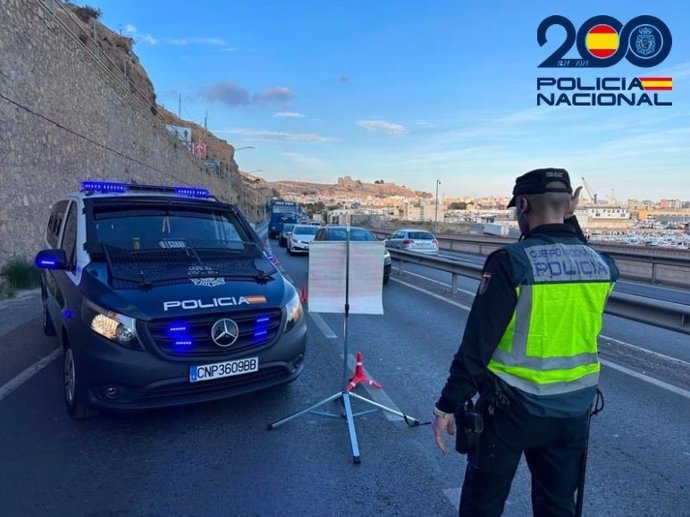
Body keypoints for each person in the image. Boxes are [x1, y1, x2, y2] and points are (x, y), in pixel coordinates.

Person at [432, 168, 619, 517]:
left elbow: (478, 345)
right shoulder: (601, 265)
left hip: (510, 411)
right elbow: (576, 251)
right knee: (558, 507)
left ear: (522, 205)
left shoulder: (511, 263)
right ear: (567, 208)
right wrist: (571, 219)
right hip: (573, 412)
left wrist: (447, 405)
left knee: (482, 506)